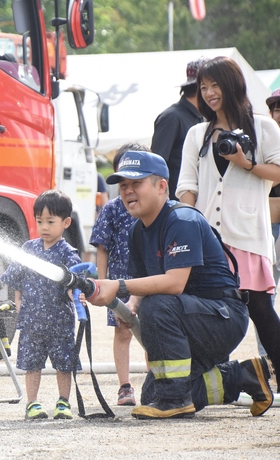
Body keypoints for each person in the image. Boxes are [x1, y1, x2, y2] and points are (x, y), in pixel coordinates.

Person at [89, 150, 274, 419]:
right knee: (151, 396)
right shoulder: (136, 231)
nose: (127, 192)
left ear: (162, 186)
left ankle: (174, 398)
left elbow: (174, 284)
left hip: (223, 317)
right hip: (189, 319)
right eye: (123, 186)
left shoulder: (181, 220)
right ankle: (245, 376)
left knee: (157, 306)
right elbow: (141, 287)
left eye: (136, 183)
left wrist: (118, 286)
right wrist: (128, 309)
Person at [177, 57, 280, 389]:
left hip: (248, 235)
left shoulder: (264, 127)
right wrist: (186, 229)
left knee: (262, 312)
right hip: (208, 240)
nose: (208, 93)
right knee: (211, 314)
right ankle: (215, 381)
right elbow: (186, 188)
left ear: (232, 84)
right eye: (203, 87)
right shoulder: (197, 133)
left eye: (215, 85)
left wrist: (245, 163)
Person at [1, 190, 82, 420]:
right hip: (31, 320)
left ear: (65, 222)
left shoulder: (68, 253)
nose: (44, 227)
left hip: (60, 320)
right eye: (39, 221)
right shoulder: (29, 248)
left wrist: (77, 292)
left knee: (64, 363)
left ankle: (63, 402)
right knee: (31, 363)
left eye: (50, 221)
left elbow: (75, 280)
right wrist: (18, 299)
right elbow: (16, 276)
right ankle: (32, 403)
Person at [89, 142, 148, 406]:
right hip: (119, 285)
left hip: (149, 282)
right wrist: (103, 284)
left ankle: (156, 381)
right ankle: (125, 386)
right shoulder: (112, 208)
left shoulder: (154, 206)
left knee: (152, 334)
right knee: (123, 331)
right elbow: (102, 247)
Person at [151, 57, 207, 200]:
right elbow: (156, 166)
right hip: (174, 206)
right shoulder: (172, 117)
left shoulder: (203, 118)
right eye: (208, 87)